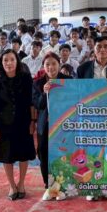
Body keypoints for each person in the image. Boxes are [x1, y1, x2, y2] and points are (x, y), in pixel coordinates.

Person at [0, 49, 36, 200]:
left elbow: (31, 102)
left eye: (12, 59)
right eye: (5, 60)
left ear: (17, 61)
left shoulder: (26, 78)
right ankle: (12, 185)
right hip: (4, 124)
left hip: (23, 122)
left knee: (24, 154)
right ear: (1, 63)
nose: (9, 63)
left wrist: (32, 121)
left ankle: (21, 183)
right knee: (7, 156)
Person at [32, 53, 72, 200]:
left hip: (63, 126)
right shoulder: (38, 83)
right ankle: (48, 186)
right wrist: (44, 93)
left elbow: (73, 100)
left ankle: (63, 186)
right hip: (45, 125)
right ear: (43, 66)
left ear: (59, 65)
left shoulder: (68, 80)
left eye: (54, 63)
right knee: (44, 154)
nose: (51, 67)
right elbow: (38, 105)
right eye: (47, 64)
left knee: (63, 154)